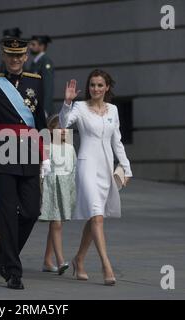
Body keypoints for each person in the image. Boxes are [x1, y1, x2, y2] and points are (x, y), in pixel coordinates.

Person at [0, 37, 51, 290]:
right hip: (3, 152)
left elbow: (39, 119)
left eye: (20, 56)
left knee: (31, 211)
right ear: (3, 57)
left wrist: (45, 155)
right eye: (10, 56)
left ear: (25, 57)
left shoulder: (36, 81)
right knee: (6, 215)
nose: (15, 60)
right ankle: (13, 270)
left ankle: (2, 251)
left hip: (28, 152)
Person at [59, 70, 133, 285]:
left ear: (107, 87)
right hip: (86, 167)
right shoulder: (80, 107)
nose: (96, 89)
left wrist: (126, 168)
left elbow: (117, 141)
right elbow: (64, 124)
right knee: (97, 216)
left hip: (105, 168)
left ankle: (79, 259)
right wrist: (67, 102)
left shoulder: (113, 110)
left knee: (96, 217)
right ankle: (106, 265)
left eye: (100, 85)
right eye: (92, 85)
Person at [39, 115, 76, 275]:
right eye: (58, 127)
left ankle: (47, 260)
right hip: (51, 188)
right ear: (50, 129)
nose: (62, 131)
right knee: (56, 224)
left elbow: (73, 169)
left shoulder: (70, 148)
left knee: (55, 224)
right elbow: (42, 170)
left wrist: (72, 191)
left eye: (65, 128)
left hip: (65, 189)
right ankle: (61, 261)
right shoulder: (47, 147)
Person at [29, 35, 55, 117]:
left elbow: (48, 86)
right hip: (35, 106)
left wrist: (46, 109)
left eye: (33, 44)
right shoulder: (35, 62)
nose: (30, 47)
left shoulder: (45, 61)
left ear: (42, 46)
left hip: (42, 108)